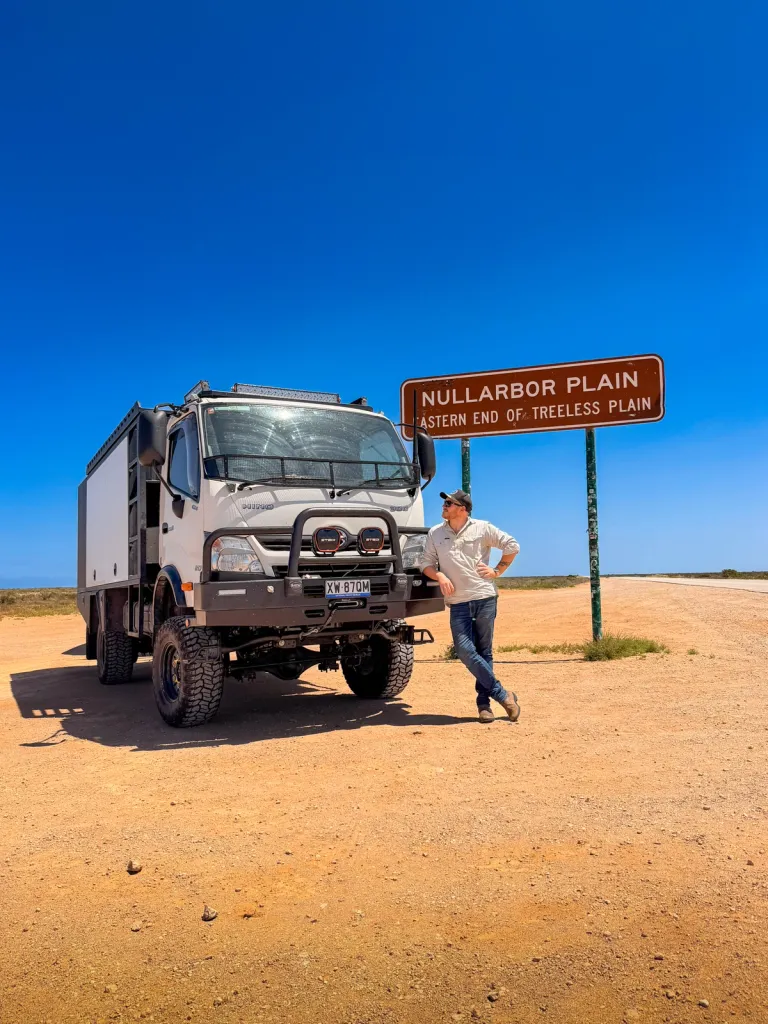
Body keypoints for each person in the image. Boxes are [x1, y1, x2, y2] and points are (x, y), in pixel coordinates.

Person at [421, 489, 521, 723]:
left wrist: (497, 571)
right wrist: (439, 576)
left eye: (449, 503)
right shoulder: (435, 533)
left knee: (484, 652)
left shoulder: (482, 527)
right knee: (465, 651)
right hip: (458, 603)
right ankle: (503, 694)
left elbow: (512, 545)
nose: (444, 506)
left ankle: (483, 705)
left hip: (484, 597)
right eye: (444, 503)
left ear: (463, 509)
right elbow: (425, 563)